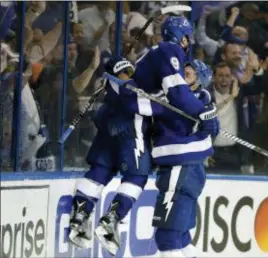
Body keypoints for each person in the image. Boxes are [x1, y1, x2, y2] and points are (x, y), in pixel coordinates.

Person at [105, 16, 220, 257]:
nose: (182, 74)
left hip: (179, 169)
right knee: (181, 239)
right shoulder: (204, 105)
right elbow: (212, 129)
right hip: (193, 172)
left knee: (167, 238)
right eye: (183, 70)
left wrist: (116, 82)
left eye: (188, 75)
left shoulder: (179, 101)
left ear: (199, 84)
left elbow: (135, 103)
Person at [68, 57, 152, 255]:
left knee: (100, 171)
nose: (130, 75)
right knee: (136, 176)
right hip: (131, 133)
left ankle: (79, 216)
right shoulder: (132, 85)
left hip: (107, 132)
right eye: (128, 72)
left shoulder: (109, 86)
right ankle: (110, 220)